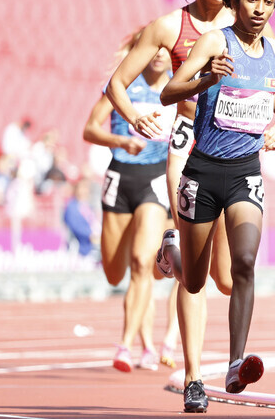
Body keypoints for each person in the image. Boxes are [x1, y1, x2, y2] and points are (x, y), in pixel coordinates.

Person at [105, 0, 275, 413]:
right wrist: (136, 116)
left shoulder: (250, 19)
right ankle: (194, 376)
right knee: (198, 279)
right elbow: (116, 84)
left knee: (228, 279)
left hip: (239, 147)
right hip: (189, 143)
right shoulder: (172, 25)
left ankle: (173, 251)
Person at [161, 0, 275, 395]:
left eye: (268, 1)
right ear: (236, 1)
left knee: (243, 264)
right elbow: (169, 92)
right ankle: (171, 253)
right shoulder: (215, 41)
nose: (260, 9)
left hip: (245, 175)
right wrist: (207, 78)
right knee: (196, 281)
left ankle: (236, 363)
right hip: (201, 171)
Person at [82, 37, 173, 373]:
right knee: (113, 272)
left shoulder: (178, 89)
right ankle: (141, 341)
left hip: (154, 180)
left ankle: (127, 345)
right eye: (156, 49)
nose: (161, 56)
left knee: (140, 262)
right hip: (119, 178)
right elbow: (90, 129)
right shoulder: (121, 87)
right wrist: (119, 140)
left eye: (168, 50)